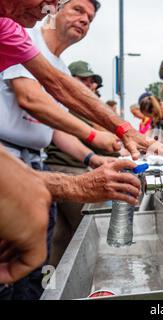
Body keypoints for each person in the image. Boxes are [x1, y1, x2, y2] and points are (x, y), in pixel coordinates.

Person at [0, 0, 142, 285]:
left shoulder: (20, 37)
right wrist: (94, 135)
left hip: (32, 162)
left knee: (31, 270)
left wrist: (95, 155)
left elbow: (57, 98)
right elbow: (32, 98)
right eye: (77, 9)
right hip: (9, 158)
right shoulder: (25, 34)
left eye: (90, 17)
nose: (84, 20)